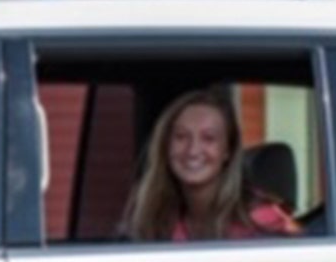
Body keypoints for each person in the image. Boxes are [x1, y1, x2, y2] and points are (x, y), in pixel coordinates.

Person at [123, 88, 300, 243]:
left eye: (208, 138)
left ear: (227, 151)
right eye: (181, 136)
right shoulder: (156, 215)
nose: (192, 150)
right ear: (165, 145)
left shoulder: (262, 218)